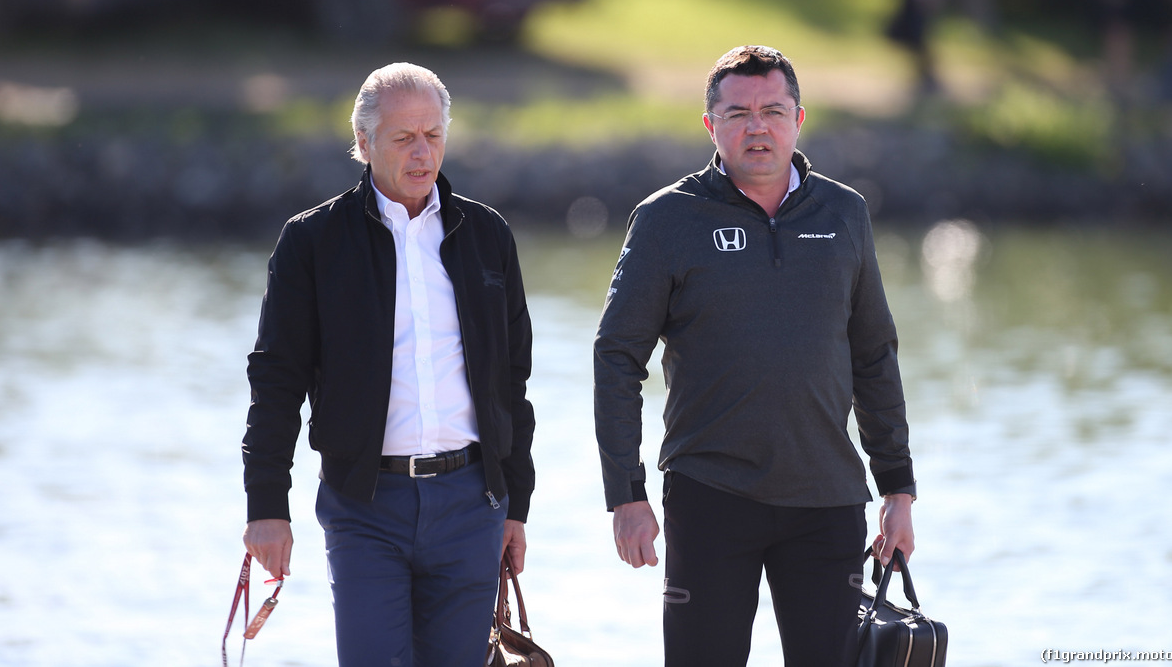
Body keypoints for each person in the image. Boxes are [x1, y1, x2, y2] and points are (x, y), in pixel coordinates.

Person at [593, 45, 917, 666]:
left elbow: (874, 353)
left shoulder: (844, 214)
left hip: (827, 501)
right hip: (711, 497)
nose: (757, 126)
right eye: (738, 113)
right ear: (710, 125)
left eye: (773, 110)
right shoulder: (667, 220)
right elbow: (616, 357)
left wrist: (897, 488)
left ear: (800, 119)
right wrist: (625, 494)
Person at [241, 62, 536, 667]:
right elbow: (276, 382)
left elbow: (513, 381)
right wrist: (266, 506)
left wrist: (517, 506)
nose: (423, 152)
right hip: (364, 508)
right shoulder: (311, 241)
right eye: (404, 138)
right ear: (364, 143)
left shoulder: (487, 234)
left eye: (433, 135)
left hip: (471, 505)